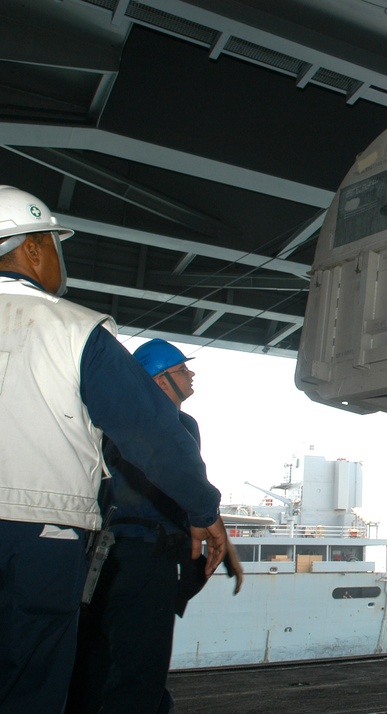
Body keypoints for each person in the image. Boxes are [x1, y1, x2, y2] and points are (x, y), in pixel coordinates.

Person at [0, 185, 228, 713]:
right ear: (33, 249)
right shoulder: (78, 331)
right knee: (30, 682)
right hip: (39, 537)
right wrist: (204, 510)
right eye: (56, 245)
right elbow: (152, 436)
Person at [69, 339, 243, 714]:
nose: (191, 373)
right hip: (148, 560)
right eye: (182, 369)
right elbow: (183, 486)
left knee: (95, 667)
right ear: (161, 382)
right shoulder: (178, 425)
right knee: (140, 675)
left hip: (102, 561)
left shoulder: (109, 428)